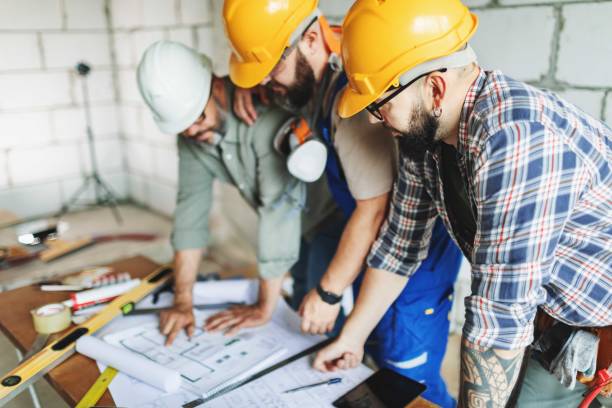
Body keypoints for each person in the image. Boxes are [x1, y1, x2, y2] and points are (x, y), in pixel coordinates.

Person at [312, 1, 612, 407]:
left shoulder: (517, 140)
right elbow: (400, 247)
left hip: (598, 325)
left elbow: (499, 317)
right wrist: (351, 337)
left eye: (379, 105)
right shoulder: (426, 143)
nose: (371, 120)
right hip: (554, 326)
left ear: (435, 88)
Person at [222, 2, 463, 406]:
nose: (266, 83)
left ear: (312, 39)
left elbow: (374, 212)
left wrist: (328, 292)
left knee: (407, 382)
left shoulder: (348, 103)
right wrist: (248, 88)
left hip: (413, 265)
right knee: (371, 358)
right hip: (380, 253)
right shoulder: (315, 73)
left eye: (269, 69)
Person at [137, 40, 339, 345]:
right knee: (300, 302)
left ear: (216, 86)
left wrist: (263, 307)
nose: (192, 132)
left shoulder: (262, 116)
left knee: (322, 307)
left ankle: (356, 365)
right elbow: (190, 214)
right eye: (182, 127)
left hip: (328, 215)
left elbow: (278, 211)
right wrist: (182, 301)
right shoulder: (193, 136)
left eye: (198, 118)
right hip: (294, 229)